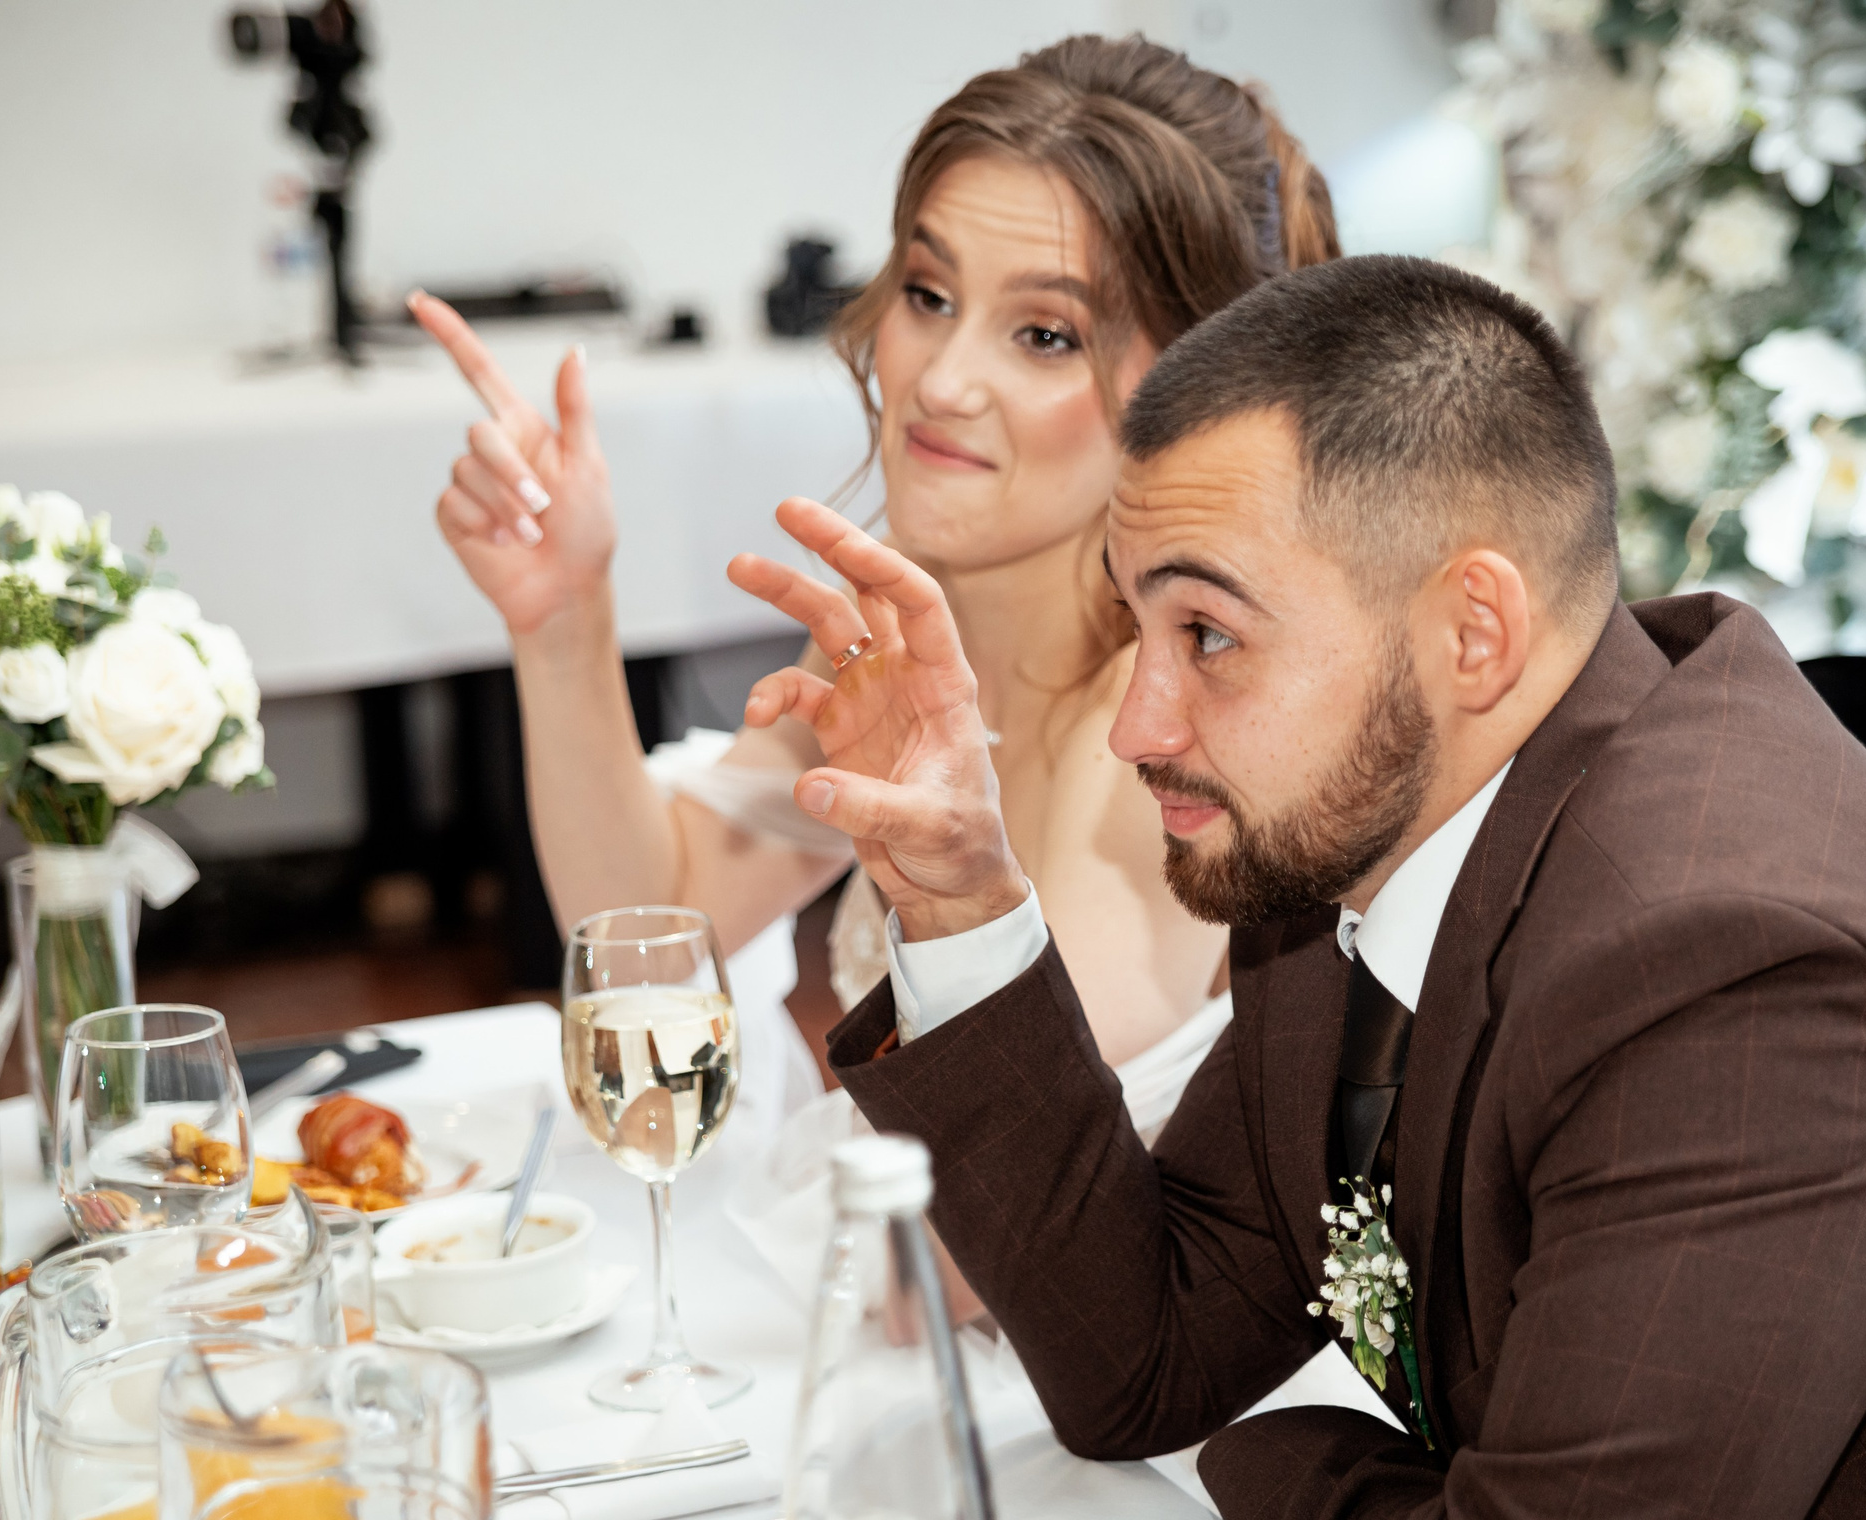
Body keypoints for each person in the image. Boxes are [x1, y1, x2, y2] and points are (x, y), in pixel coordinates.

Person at [729, 254, 1866, 1520]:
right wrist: (959, 896)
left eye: (1208, 633)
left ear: (1471, 628)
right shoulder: (1370, 821)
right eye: (1138, 623)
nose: (1142, 721)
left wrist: (1283, 1457)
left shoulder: (1744, 967)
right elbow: (1140, 1347)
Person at [404, 37, 1336, 1274]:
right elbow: (645, 932)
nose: (941, 380)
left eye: (1045, 334)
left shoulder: (1166, 720)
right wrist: (563, 620)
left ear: (1190, 387)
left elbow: (997, 1215)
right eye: (929, 294)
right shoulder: (901, 613)